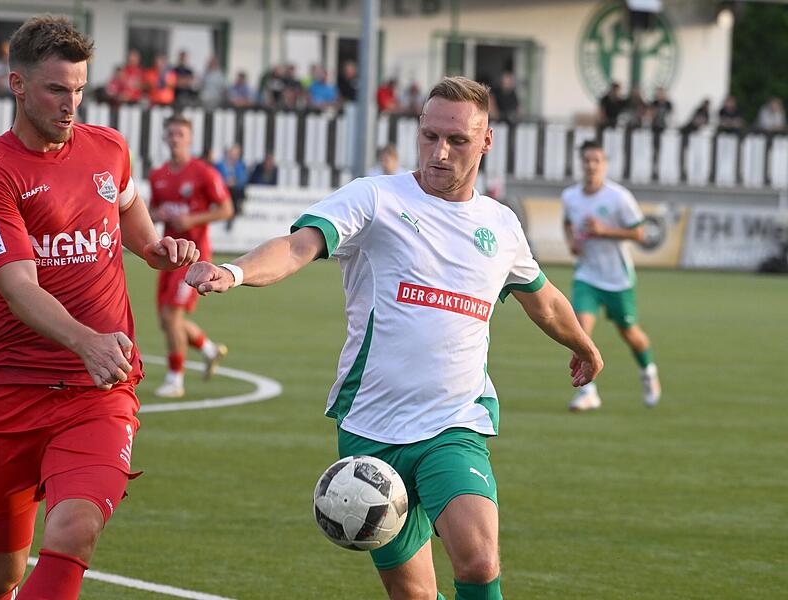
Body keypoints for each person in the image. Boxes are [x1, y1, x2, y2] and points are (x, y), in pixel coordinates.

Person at [185, 76, 603, 600]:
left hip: (453, 423)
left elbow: (541, 298)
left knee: (477, 561)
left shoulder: (501, 225)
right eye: (429, 136)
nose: (440, 152)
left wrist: (583, 344)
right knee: (415, 596)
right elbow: (298, 246)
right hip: (371, 432)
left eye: (457, 141)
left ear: (486, 141)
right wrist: (236, 271)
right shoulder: (375, 198)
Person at [0, 16, 199, 600]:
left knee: (75, 529)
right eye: (57, 89)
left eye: (79, 90)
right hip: (9, 392)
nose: (70, 104)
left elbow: (129, 217)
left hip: (97, 391)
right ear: (18, 85)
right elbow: (17, 284)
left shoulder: (108, 148)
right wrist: (85, 337)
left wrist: (158, 251)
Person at [562, 140, 661, 412]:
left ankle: (648, 373)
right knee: (579, 332)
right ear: (581, 163)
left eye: (596, 160)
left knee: (630, 334)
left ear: (604, 165)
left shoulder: (619, 197)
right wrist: (572, 242)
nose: (591, 165)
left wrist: (604, 231)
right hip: (587, 276)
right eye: (586, 160)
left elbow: (640, 233)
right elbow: (568, 224)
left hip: (617, 278)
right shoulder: (570, 196)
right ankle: (588, 391)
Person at [148, 114, 233, 398]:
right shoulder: (158, 175)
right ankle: (208, 350)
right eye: (171, 133)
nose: (175, 139)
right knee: (165, 320)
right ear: (165, 137)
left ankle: (175, 380)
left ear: (190, 139)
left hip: (194, 257)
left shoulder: (203, 172)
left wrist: (193, 220)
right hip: (168, 256)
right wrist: (155, 215)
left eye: (180, 134)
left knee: (172, 316)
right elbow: (150, 211)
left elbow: (225, 209)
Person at [215, 143, 248, 230]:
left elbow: (243, 178)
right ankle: (233, 212)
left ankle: (233, 212)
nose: (233, 155)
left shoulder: (240, 165)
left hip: (235, 188)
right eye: (232, 153)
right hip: (223, 187)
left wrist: (235, 181)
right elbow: (215, 176)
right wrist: (226, 181)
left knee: (237, 191)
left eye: (236, 154)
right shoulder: (220, 164)